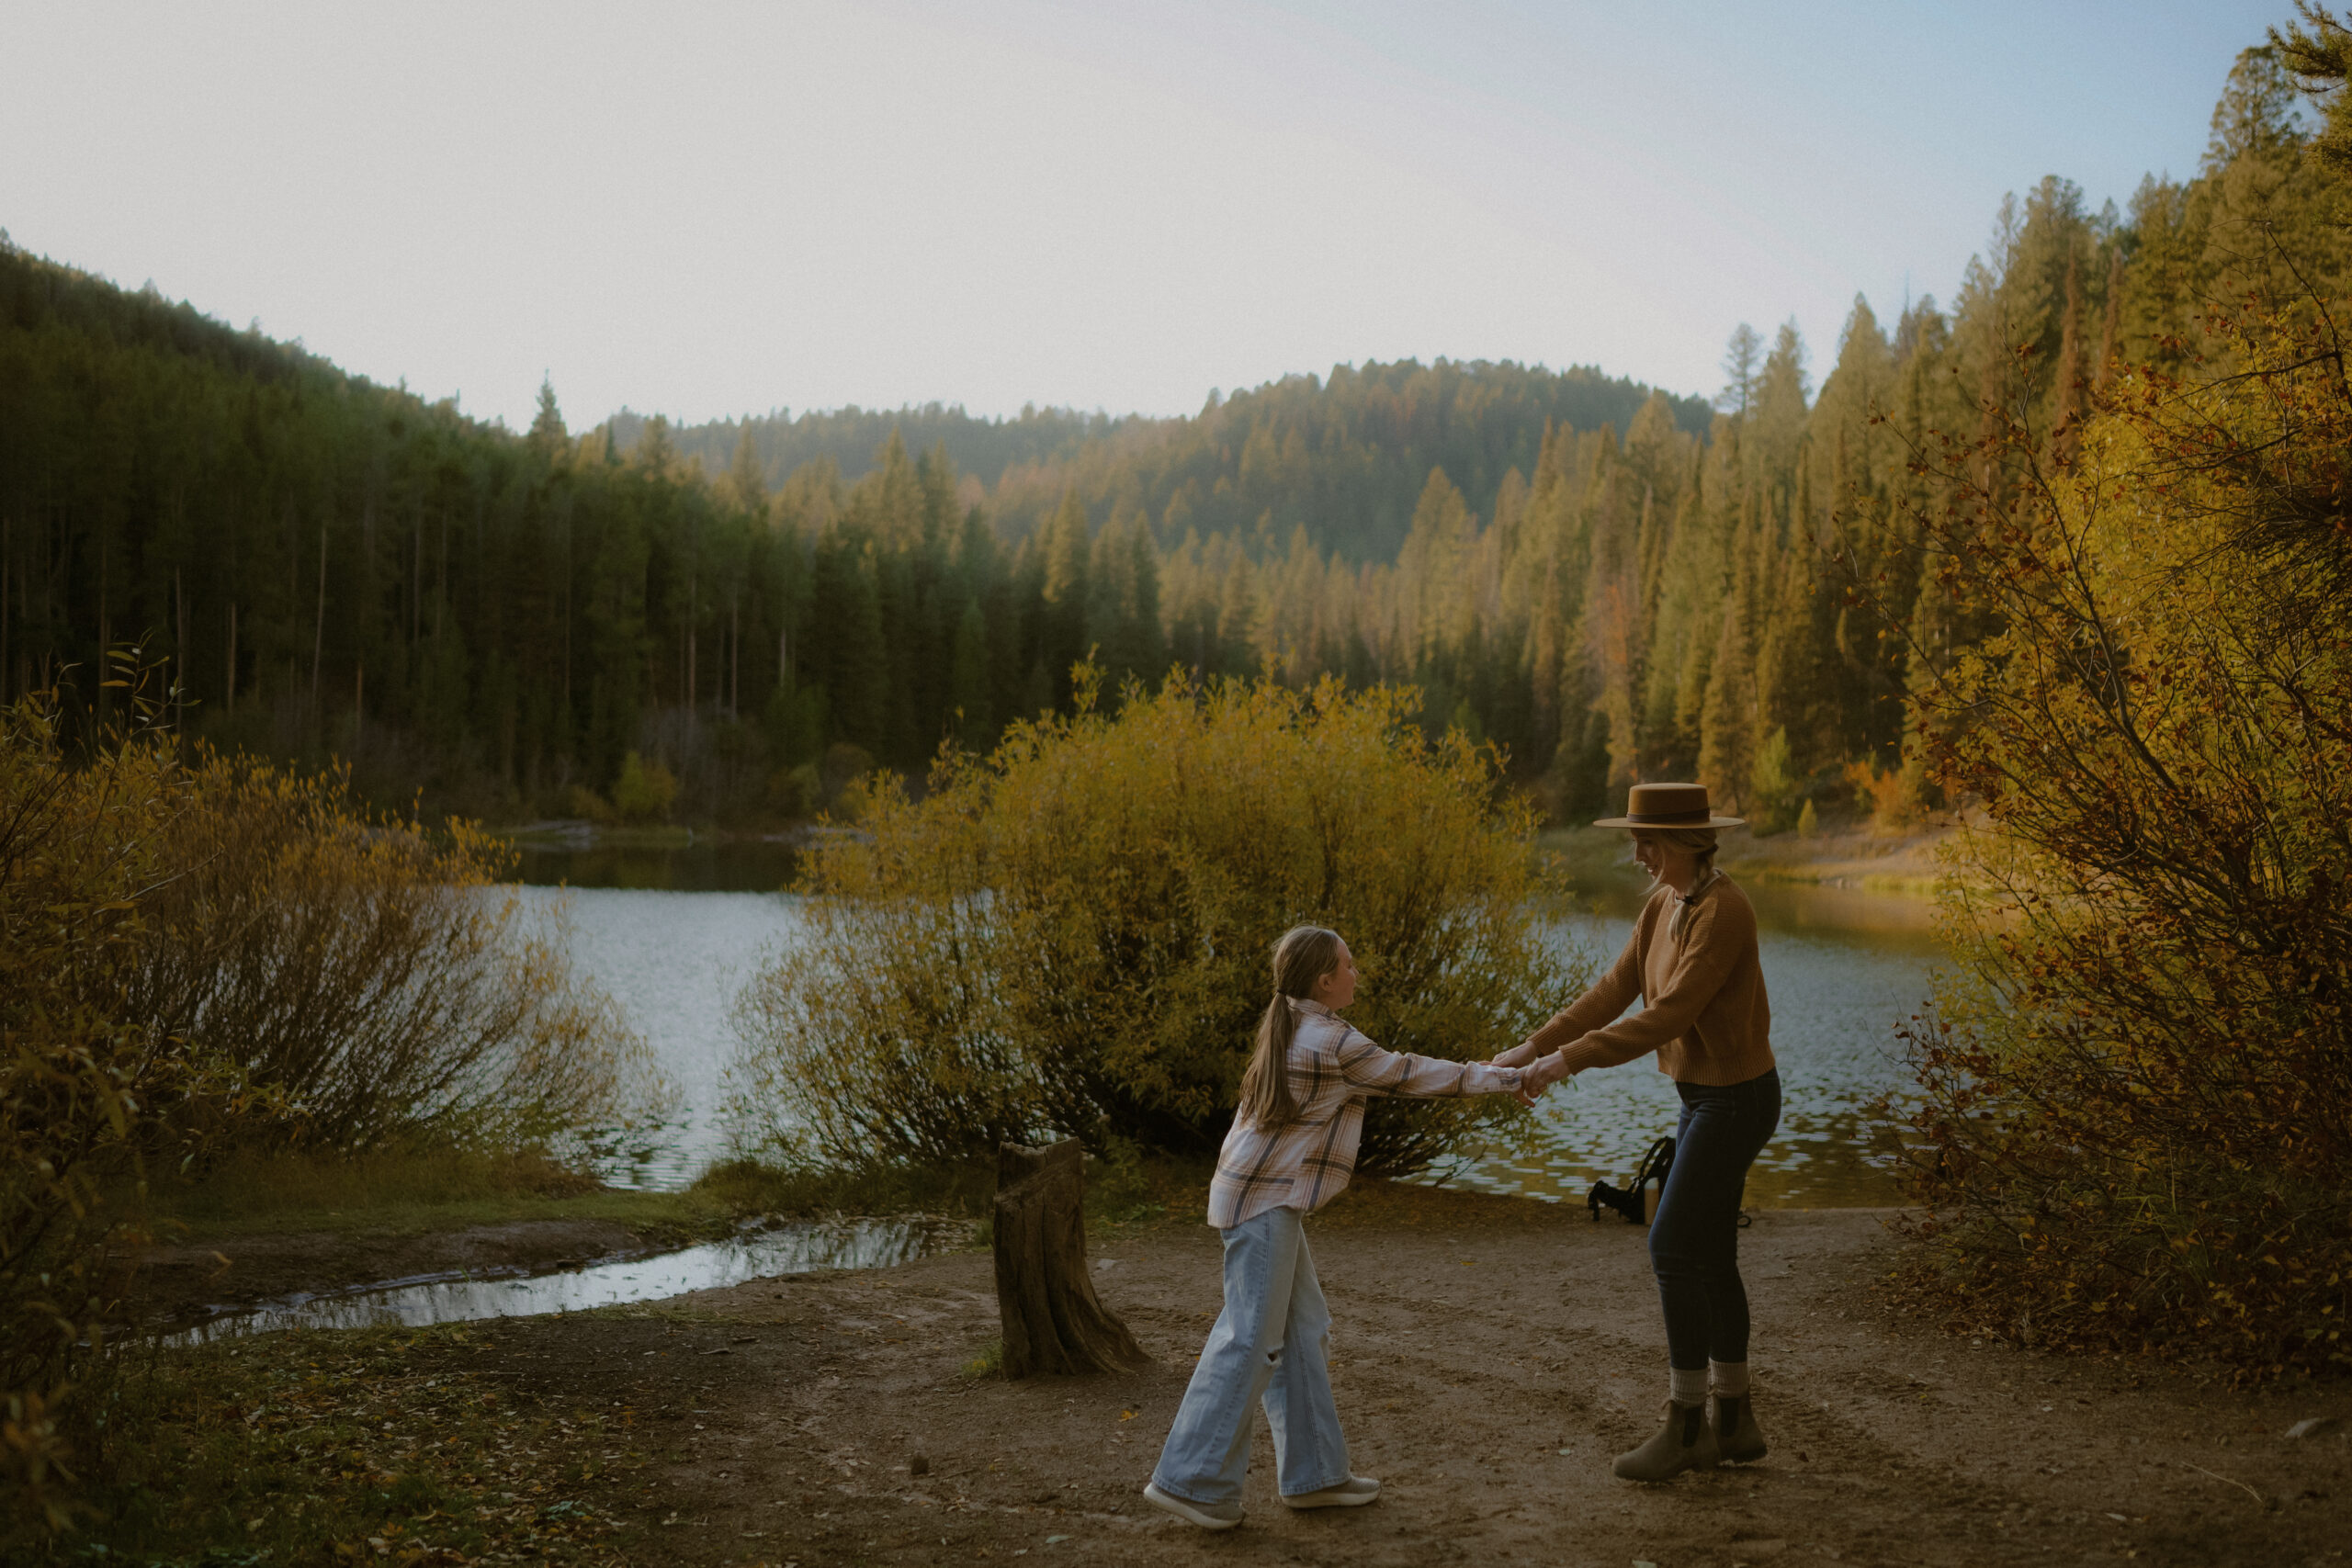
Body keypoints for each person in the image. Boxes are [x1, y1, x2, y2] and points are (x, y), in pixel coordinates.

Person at [1144, 923, 1560, 1530]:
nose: (1356, 971)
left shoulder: (1291, 1021)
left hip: (1261, 1196)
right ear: (1323, 980)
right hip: (1263, 1202)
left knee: (1302, 1326)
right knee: (1251, 1338)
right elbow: (1413, 1073)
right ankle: (1192, 1480)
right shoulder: (1328, 1040)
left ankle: (1314, 1475)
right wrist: (1510, 1076)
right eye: (1348, 963)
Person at [1488, 781, 1780, 1483]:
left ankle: (1687, 1425)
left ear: (1683, 842)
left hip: (1737, 1099)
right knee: (1707, 1254)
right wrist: (1528, 1048)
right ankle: (1734, 1420)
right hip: (1705, 1096)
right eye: (1635, 839)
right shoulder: (1664, 905)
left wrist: (1564, 1064)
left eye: (1646, 840)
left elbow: (1667, 1015)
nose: (1637, 853)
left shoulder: (1724, 910)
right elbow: (1611, 994)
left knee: (1671, 1243)